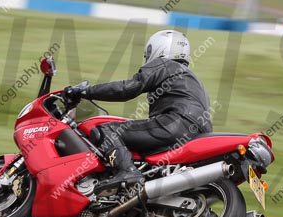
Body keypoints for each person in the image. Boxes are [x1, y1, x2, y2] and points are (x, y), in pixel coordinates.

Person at [63, 30, 212, 194]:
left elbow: (127, 89)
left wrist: (86, 91)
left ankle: (127, 172)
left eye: (148, 51)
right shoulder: (193, 78)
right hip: (198, 132)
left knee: (108, 129)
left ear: (160, 49)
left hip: (174, 123)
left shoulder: (163, 64)